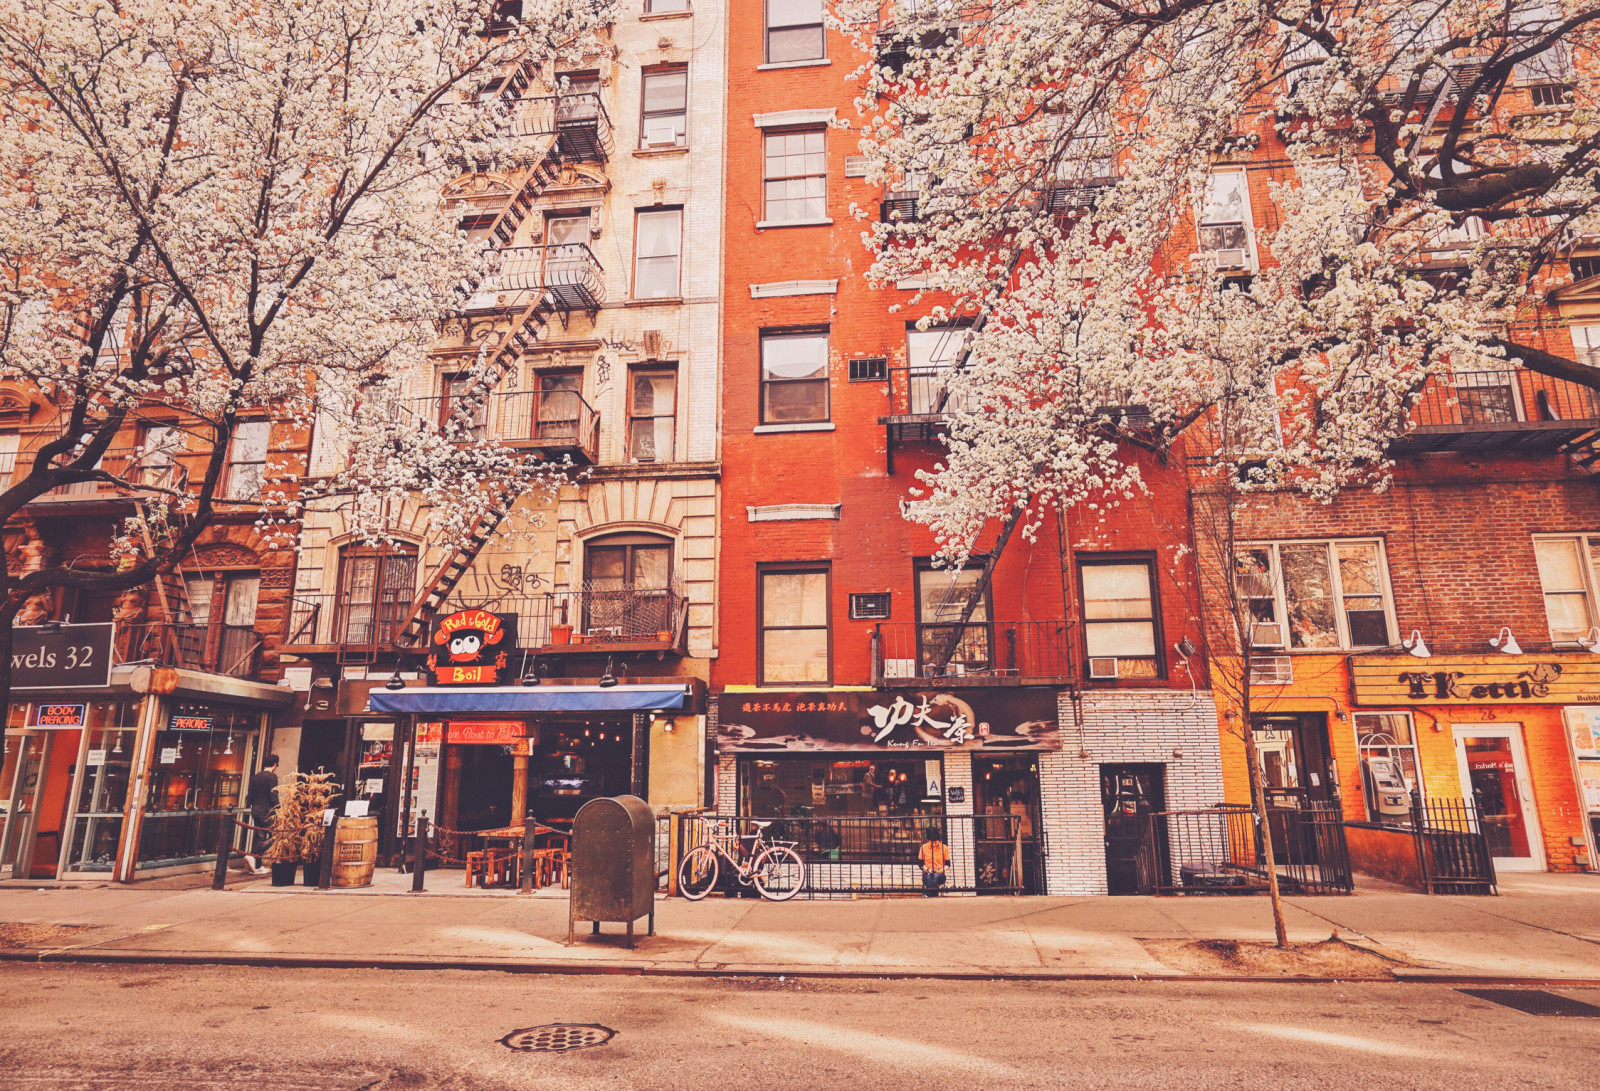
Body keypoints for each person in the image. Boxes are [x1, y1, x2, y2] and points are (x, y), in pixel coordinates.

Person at [242, 754, 280, 875]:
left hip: (255, 810)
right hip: (267, 811)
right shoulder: (272, 777)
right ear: (275, 764)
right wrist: (279, 808)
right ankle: (252, 855)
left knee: (260, 837)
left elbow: (250, 796)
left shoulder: (255, 777)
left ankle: (257, 866)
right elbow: (273, 795)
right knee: (278, 835)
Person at [919, 827, 950, 896]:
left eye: (935, 841)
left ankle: (928, 895)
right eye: (931, 842)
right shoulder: (923, 847)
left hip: (940, 874)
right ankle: (934, 896)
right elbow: (920, 864)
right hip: (927, 873)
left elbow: (948, 865)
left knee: (935, 876)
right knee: (930, 878)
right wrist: (927, 869)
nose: (934, 844)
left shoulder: (944, 848)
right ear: (928, 840)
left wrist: (941, 870)